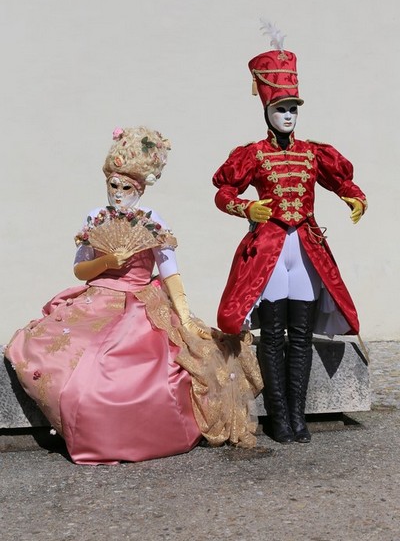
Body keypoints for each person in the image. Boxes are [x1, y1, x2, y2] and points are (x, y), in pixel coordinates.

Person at [5, 126, 263, 465]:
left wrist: (184, 318)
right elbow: (80, 271)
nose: (117, 192)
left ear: (139, 187)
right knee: (51, 353)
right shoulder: (95, 218)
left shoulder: (153, 221)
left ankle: (123, 435)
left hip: (140, 304)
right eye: (112, 184)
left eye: (126, 186)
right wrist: (109, 261)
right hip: (95, 299)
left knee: (141, 369)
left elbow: (170, 273)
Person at [212, 25, 367, 445]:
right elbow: (223, 191)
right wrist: (248, 208)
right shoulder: (253, 154)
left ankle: (298, 418)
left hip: (306, 249)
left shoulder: (313, 152)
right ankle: (278, 416)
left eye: (293, 109)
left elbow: (339, 181)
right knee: (273, 334)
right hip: (270, 250)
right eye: (280, 108)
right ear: (266, 110)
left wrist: (355, 197)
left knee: (300, 335)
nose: (287, 115)